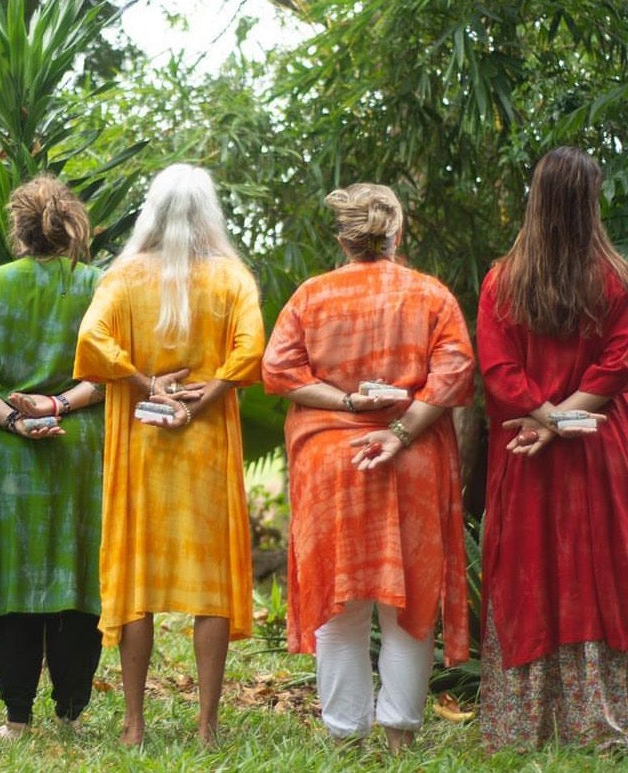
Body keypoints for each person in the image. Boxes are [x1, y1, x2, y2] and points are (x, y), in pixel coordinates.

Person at [261, 183, 474, 751]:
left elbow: (278, 372)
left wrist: (347, 403)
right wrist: (401, 430)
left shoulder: (311, 296)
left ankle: (344, 739)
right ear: (397, 234)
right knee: (411, 604)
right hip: (414, 457)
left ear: (344, 239)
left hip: (331, 466)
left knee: (339, 603)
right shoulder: (430, 295)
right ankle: (400, 740)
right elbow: (454, 375)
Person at [73, 163, 264, 745]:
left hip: (142, 446)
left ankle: (134, 726)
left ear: (150, 210)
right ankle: (207, 727)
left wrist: (144, 381)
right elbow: (252, 347)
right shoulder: (232, 279)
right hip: (203, 447)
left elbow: (91, 340)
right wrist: (210, 393)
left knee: (137, 583)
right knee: (210, 587)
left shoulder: (124, 276)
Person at [476, 146, 628, 750]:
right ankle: (598, 725)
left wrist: (542, 419)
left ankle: (520, 728)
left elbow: (498, 370)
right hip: (597, 449)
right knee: (596, 572)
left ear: (536, 198)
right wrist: (565, 419)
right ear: (591, 202)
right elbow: (618, 368)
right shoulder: (614, 278)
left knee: (526, 569)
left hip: (524, 449)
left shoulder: (502, 280)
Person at [0, 176, 105, 739]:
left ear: (19, 229)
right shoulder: (99, 288)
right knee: (77, 576)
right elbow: (115, 373)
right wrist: (60, 402)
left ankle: (17, 716)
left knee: (14, 585)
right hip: (79, 452)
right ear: (71, 226)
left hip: (5, 456)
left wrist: (11, 418)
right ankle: (71, 712)